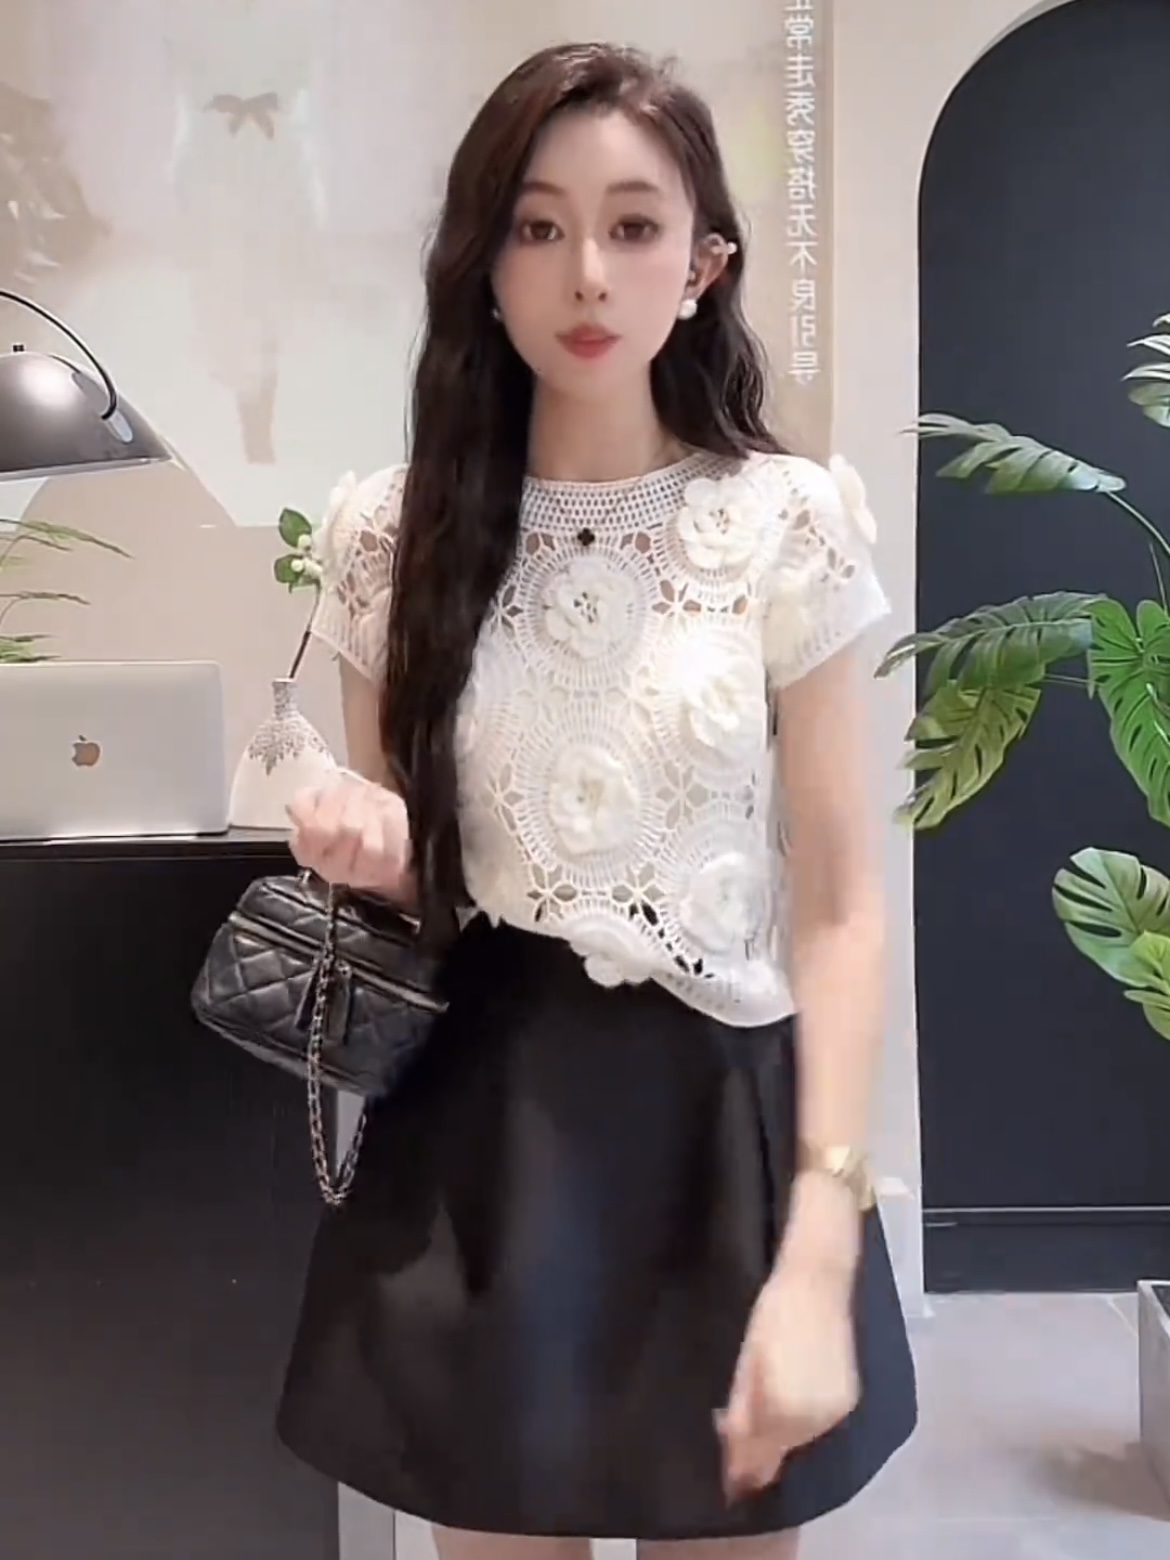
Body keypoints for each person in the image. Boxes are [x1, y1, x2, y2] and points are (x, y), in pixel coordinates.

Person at [277, 40, 917, 1560]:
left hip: (721, 1136)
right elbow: (417, 887)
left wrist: (822, 1244)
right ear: (483, 262)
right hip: (486, 1137)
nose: (586, 274)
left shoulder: (782, 521)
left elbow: (839, 904)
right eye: (538, 224)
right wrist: (368, 848)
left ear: (701, 267)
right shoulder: (390, 538)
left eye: (633, 227)